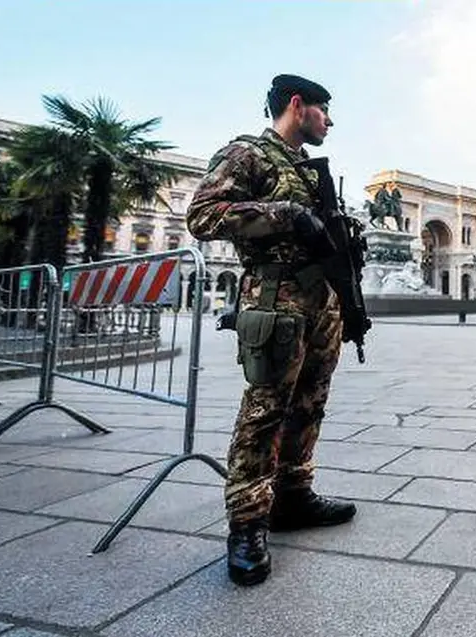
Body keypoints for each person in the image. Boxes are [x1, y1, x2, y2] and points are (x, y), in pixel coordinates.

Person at [186, 74, 356, 586]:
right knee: (264, 411)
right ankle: (247, 522)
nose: (330, 121)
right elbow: (203, 214)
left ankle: (294, 497)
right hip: (275, 300)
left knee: (310, 402)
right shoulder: (248, 154)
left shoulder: (310, 169)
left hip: (320, 302)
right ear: (297, 105)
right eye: (324, 111)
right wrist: (283, 213)